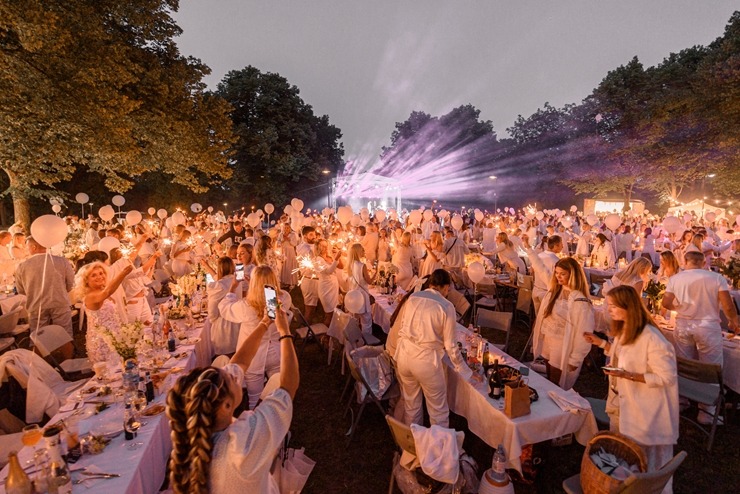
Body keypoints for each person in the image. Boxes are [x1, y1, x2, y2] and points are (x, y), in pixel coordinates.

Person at [166, 304, 298, 494]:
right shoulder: (243, 445)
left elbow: (240, 361)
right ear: (226, 406)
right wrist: (285, 333)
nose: (234, 373)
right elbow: (288, 387)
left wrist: (264, 324)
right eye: (231, 379)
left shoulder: (192, 442)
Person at [583, 285, 678, 494]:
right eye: (608, 305)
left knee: (646, 460)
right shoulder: (625, 329)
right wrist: (600, 343)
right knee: (626, 454)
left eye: (614, 306)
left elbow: (667, 376)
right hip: (623, 401)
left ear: (629, 307)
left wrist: (629, 376)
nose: (609, 310)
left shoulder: (651, 338)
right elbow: (619, 356)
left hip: (647, 411)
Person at [662, 251, 739, 423]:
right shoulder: (716, 278)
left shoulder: (676, 278)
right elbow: (727, 305)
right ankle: (706, 411)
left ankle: (682, 401)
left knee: (685, 363)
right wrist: (734, 321)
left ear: (685, 261)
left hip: (683, 325)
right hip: (707, 327)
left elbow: (666, 303)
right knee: (710, 367)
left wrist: (681, 307)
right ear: (704, 262)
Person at [393, 269, 474, 427]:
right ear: (445, 287)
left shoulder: (414, 297)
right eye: (448, 289)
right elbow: (451, 345)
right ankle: (438, 448)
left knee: (411, 406)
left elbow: (403, 327)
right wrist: (465, 370)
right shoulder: (446, 305)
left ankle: (413, 446)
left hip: (404, 356)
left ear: (430, 284)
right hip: (426, 362)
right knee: (438, 412)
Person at [218, 266, 293, 409]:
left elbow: (224, 308)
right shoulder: (284, 299)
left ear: (253, 283)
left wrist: (233, 287)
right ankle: (280, 417)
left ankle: (256, 420)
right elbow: (277, 295)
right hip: (277, 351)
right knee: (278, 389)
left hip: (253, 356)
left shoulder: (246, 307)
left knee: (255, 396)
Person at [532, 257, 595, 389]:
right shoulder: (555, 291)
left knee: (556, 383)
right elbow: (541, 269)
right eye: (557, 273)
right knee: (548, 378)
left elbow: (584, 332)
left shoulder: (580, 301)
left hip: (562, 345)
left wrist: (576, 358)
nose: (558, 277)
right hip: (548, 340)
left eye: (562, 274)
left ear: (572, 274)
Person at [15, 236, 76, 335]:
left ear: (34, 247)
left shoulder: (22, 266)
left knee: (38, 335)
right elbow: (70, 284)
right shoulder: (62, 261)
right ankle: (67, 349)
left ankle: (42, 349)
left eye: (27, 247)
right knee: (65, 333)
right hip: (59, 300)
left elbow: (21, 290)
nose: (26, 250)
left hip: (36, 304)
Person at [75, 261, 133, 363]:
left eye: (101, 273)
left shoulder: (100, 291)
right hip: (102, 341)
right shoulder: (91, 296)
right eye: (94, 275)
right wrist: (123, 273)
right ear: (86, 281)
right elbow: (108, 292)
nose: (99, 277)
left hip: (114, 337)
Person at [206, 257, 242, 356]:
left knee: (224, 358)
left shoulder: (218, 286)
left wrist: (214, 321)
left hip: (223, 327)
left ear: (220, 269)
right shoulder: (238, 281)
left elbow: (212, 313)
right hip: (237, 322)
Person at [526, 235, 562, 313]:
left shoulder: (539, 255)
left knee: (537, 318)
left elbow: (531, 271)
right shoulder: (556, 261)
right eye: (561, 244)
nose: (562, 247)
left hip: (536, 290)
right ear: (556, 246)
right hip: (546, 293)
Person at [346, 243, 374, 335]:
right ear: (358, 252)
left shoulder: (349, 265)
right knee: (366, 320)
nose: (364, 251)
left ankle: (353, 338)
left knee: (354, 318)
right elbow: (369, 281)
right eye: (362, 250)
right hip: (362, 295)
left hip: (353, 295)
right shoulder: (362, 266)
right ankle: (366, 340)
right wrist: (376, 274)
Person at [315, 239, 342, 327]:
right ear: (318, 247)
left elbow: (341, 266)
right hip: (326, 289)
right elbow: (329, 271)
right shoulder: (318, 259)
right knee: (329, 314)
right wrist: (336, 259)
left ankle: (331, 334)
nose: (325, 248)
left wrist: (338, 257)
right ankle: (325, 337)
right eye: (322, 246)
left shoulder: (329, 256)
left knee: (334, 312)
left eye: (326, 245)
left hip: (333, 287)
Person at [296, 226, 319, 323]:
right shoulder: (305, 249)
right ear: (304, 236)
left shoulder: (309, 246)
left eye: (314, 234)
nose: (314, 237)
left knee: (312, 308)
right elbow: (313, 264)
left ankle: (307, 328)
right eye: (311, 235)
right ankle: (306, 331)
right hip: (309, 281)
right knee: (309, 309)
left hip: (312, 280)